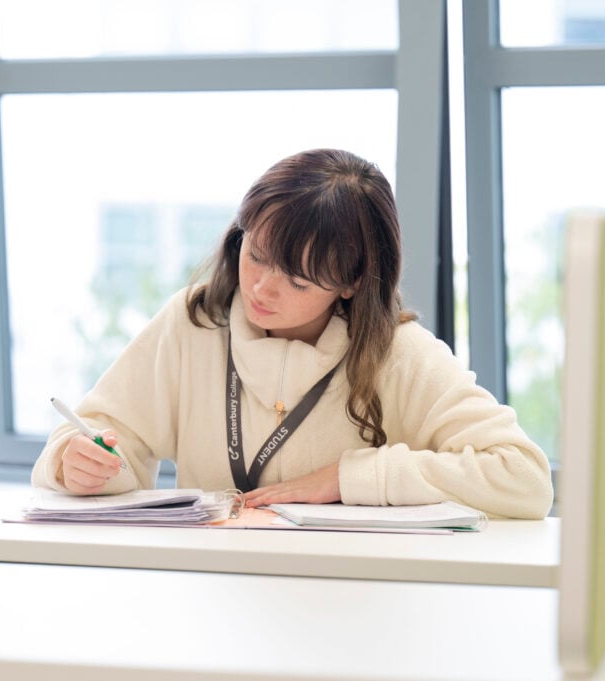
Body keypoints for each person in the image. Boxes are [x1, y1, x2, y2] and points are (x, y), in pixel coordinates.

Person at [31, 149, 553, 519]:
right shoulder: (192, 322)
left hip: (349, 603)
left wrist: (348, 479)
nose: (260, 287)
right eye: (254, 254)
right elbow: (98, 433)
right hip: (207, 598)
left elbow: (524, 478)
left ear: (351, 282)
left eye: (297, 279)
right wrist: (78, 464)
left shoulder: (397, 353)